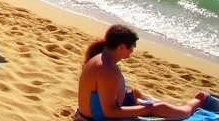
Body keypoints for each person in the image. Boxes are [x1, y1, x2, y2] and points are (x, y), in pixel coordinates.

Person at [76, 25, 214, 121]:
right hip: (95, 119)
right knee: (163, 109)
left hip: (92, 114)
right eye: (132, 47)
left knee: (140, 96)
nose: (132, 51)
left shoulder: (99, 58)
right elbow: (109, 112)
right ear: (121, 47)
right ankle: (198, 102)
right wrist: (147, 110)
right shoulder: (107, 69)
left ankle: (190, 103)